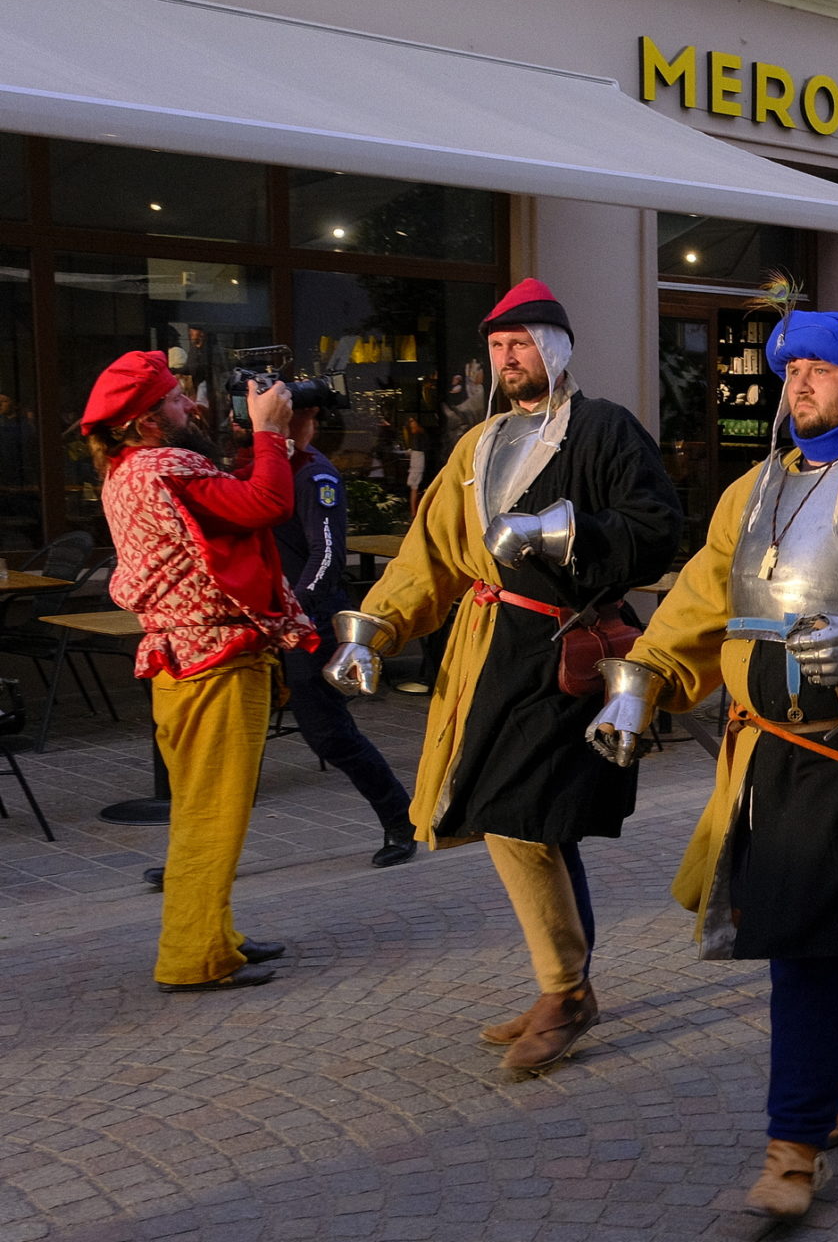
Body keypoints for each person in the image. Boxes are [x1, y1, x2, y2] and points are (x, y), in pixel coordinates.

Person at [584, 304, 838, 1221]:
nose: (797, 383)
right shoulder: (755, 488)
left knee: (812, 947)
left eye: (818, 368)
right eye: (790, 369)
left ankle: (792, 1146)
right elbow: (704, 597)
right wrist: (640, 682)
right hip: (766, 755)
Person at [322, 279, 682, 1075]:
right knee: (523, 820)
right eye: (496, 346)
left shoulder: (605, 430)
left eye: (521, 343)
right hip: (488, 649)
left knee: (524, 818)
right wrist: (376, 627)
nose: (507, 357)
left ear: (555, 348)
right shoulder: (476, 447)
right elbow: (431, 557)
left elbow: (658, 532)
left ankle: (565, 989)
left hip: (566, 650)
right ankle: (568, 984)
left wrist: (565, 531)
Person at [82, 355, 313, 992]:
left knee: (198, 811)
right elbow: (265, 504)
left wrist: (282, 442)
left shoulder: (131, 470)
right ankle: (193, 957)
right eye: (179, 401)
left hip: (182, 663)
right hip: (213, 663)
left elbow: (235, 505)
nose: (194, 408)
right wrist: (268, 433)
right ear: (147, 420)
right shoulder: (168, 465)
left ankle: (215, 934)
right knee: (213, 816)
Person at [267, 385, 415, 867]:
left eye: (296, 419)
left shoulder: (315, 475)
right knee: (229, 741)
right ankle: (192, 854)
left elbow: (327, 555)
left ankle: (399, 818)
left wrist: (296, 607)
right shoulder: (258, 471)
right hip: (262, 623)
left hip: (308, 622)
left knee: (328, 735)